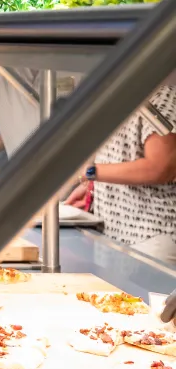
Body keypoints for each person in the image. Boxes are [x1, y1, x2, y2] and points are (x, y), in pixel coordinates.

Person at [65, 85, 176, 250]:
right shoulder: (124, 97)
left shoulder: (162, 98)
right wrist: (92, 187)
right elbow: (124, 155)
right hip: (117, 234)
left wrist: (90, 173)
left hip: (150, 235)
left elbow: (161, 168)